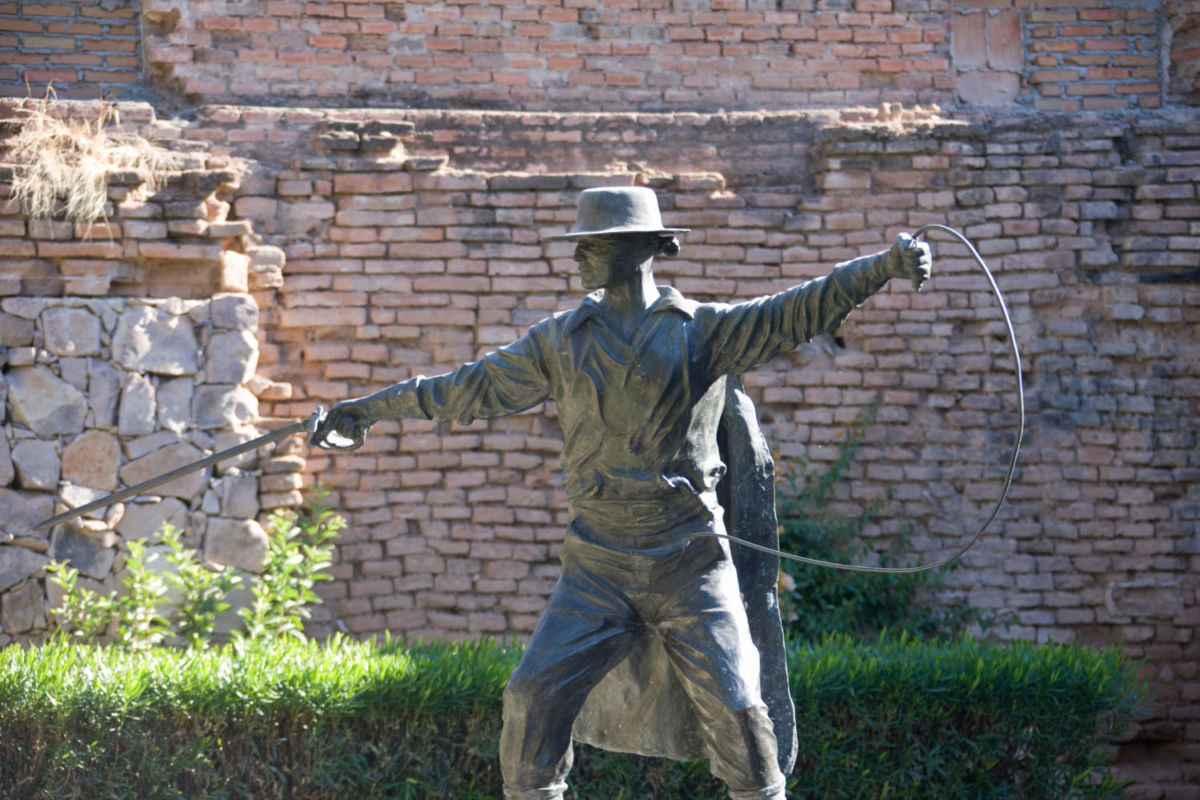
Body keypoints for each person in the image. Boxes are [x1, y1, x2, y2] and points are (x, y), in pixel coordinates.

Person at [313, 186, 931, 800]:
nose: (577, 256)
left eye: (592, 244)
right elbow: (466, 389)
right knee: (531, 699)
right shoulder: (560, 341)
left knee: (742, 712)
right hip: (596, 569)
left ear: (638, 249)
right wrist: (365, 411)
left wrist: (884, 266)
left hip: (690, 566)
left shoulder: (704, 331)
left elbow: (801, 310)